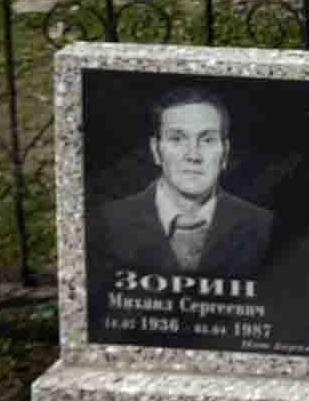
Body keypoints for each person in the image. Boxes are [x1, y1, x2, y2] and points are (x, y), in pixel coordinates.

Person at [91, 86, 273, 277]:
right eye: (177, 139)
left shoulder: (264, 226)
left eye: (207, 140)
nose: (193, 155)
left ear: (225, 153)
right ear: (156, 150)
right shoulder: (108, 222)